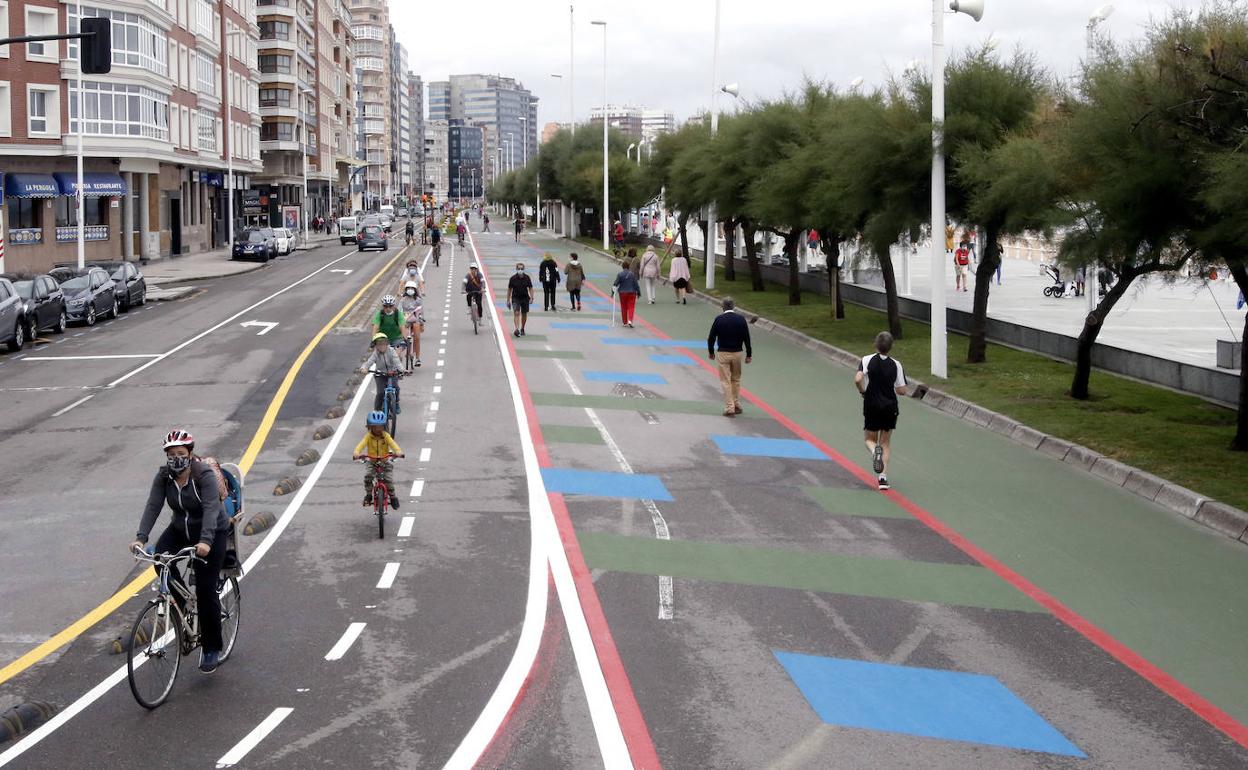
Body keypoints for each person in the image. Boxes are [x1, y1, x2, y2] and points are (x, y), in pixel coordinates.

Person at [130, 430, 231, 674]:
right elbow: (153, 505)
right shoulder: (164, 477)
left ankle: (211, 647)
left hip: (212, 532)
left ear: (190, 453)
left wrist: (206, 541)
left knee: (206, 590)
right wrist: (140, 538)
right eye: (171, 454)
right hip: (181, 529)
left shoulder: (202, 475)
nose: (176, 458)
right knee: (160, 560)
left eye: (180, 453)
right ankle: (184, 602)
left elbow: (210, 508)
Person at [855, 331, 908, 491]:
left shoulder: (866, 359)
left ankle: (873, 452)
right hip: (890, 407)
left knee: (869, 439)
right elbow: (902, 390)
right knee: (885, 442)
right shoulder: (896, 365)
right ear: (891, 347)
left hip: (871, 405)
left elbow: (858, 379)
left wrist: (862, 391)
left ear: (875, 344)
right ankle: (883, 479)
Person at [707, 297, 752, 417]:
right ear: (733, 306)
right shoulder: (741, 319)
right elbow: (746, 338)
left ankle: (729, 406)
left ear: (723, 307)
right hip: (737, 353)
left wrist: (711, 352)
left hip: (723, 353)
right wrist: (749, 354)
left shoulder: (719, 319)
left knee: (725, 381)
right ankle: (736, 404)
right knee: (736, 380)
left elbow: (711, 337)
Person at [352, 411, 402, 509]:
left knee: (388, 480)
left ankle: (392, 497)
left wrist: (398, 451)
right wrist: (356, 453)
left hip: (385, 461)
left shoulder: (386, 436)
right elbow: (361, 444)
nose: (378, 429)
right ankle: (369, 494)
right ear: (369, 427)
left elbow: (393, 444)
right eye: (374, 426)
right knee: (368, 477)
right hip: (372, 461)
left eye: (380, 426)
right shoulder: (368, 437)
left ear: (384, 426)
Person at [361, 332, 403, 411]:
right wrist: (364, 368)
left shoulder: (391, 351)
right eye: (379, 344)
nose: (382, 346)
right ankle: (377, 410)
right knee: (380, 393)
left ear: (387, 343)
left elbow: (397, 361)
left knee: (396, 388)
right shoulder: (375, 354)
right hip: (380, 374)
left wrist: (402, 370)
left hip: (392, 373)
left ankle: (396, 403)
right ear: (376, 345)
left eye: (384, 343)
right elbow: (369, 362)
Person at [399, 280, 423, 367]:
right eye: (408, 288)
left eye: (412, 288)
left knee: (417, 337)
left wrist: (421, 322)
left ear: (415, 290)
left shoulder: (418, 300)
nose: (410, 290)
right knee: (403, 338)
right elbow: (399, 311)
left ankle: (417, 358)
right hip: (405, 320)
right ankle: (402, 353)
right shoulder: (403, 300)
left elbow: (420, 313)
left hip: (415, 320)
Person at [507, 262, 534, 337]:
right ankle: (517, 329)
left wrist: (531, 298)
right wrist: (508, 300)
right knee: (516, 312)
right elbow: (509, 290)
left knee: (524, 314)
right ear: (516, 269)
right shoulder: (512, 278)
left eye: (521, 269)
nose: (520, 270)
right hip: (516, 298)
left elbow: (530, 288)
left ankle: (522, 328)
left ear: (524, 269)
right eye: (519, 268)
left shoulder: (527, 278)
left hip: (525, 298)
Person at [612, 263, 641, 328]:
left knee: (623, 307)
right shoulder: (632, 274)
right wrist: (638, 292)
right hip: (632, 292)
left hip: (622, 293)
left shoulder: (620, 274)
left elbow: (615, 283)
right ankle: (630, 320)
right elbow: (636, 284)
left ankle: (624, 322)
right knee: (631, 307)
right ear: (628, 267)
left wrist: (613, 292)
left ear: (622, 267)